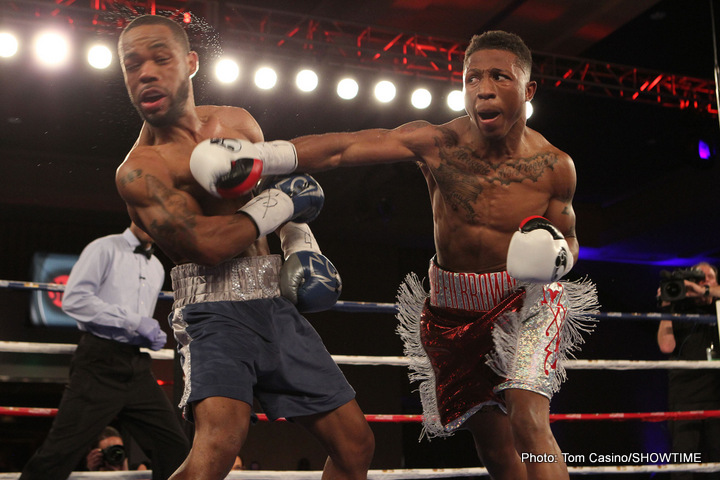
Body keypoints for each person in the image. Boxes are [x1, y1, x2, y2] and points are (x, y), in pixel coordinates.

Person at [198, 30, 600, 479]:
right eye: (472, 78)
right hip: (454, 306)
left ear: (527, 90)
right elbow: (345, 148)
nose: (483, 88)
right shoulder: (438, 143)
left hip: (527, 304)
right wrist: (261, 156)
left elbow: (570, 238)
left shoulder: (554, 166)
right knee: (494, 444)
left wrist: (557, 258)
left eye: (499, 77)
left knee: (528, 421)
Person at [114, 14, 374, 480]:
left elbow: (292, 196)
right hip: (213, 311)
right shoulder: (140, 170)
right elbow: (208, 246)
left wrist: (300, 245)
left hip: (273, 302)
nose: (146, 72)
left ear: (190, 62)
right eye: (132, 65)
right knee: (216, 451)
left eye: (160, 58)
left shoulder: (236, 122)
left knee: (357, 445)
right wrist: (282, 202)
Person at [19, 223, 190, 480]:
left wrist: (145, 334)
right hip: (99, 362)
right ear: (133, 212)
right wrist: (133, 322)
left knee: (174, 449)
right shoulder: (104, 248)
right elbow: (75, 300)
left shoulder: (155, 267)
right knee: (59, 454)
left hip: (136, 365)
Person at [657, 262, 720, 480]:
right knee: (683, 465)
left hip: (717, 397)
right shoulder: (681, 309)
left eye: (708, 277)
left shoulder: (718, 307)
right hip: (685, 397)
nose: (703, 282)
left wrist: (702, 290)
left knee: (716, 464)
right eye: (698, 278)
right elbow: (666, 346)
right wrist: (667, 305)